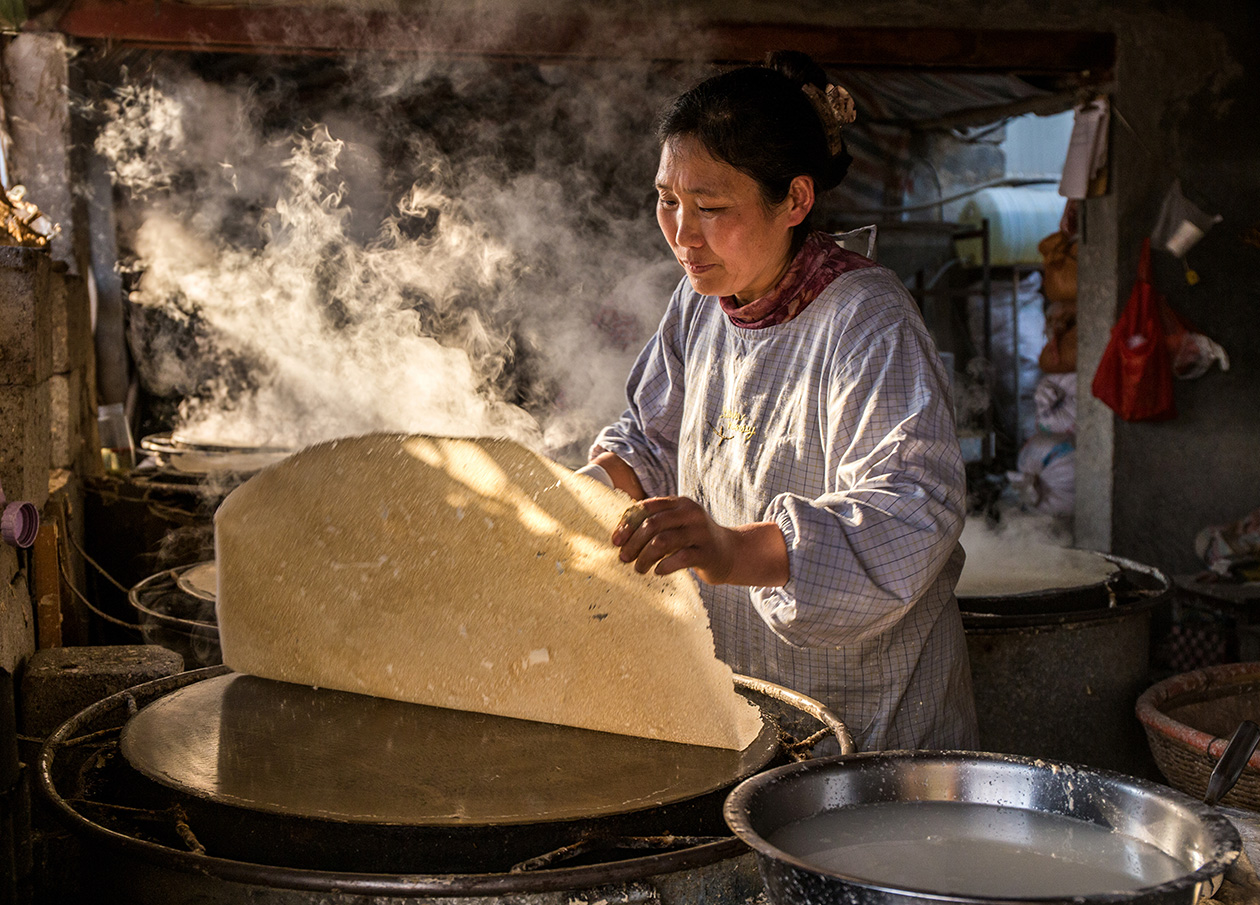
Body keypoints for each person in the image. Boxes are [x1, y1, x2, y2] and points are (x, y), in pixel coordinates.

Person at [580, 51, 978, 752]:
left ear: (795, 200)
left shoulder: (865, 320)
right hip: (746, 699)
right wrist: (566, 500)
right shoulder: (701, 303)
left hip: (871, 725)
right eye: (667, 200)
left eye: (710, 208)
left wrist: (732, 550)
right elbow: (651, 440)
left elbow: (911, 510)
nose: (680, 233)